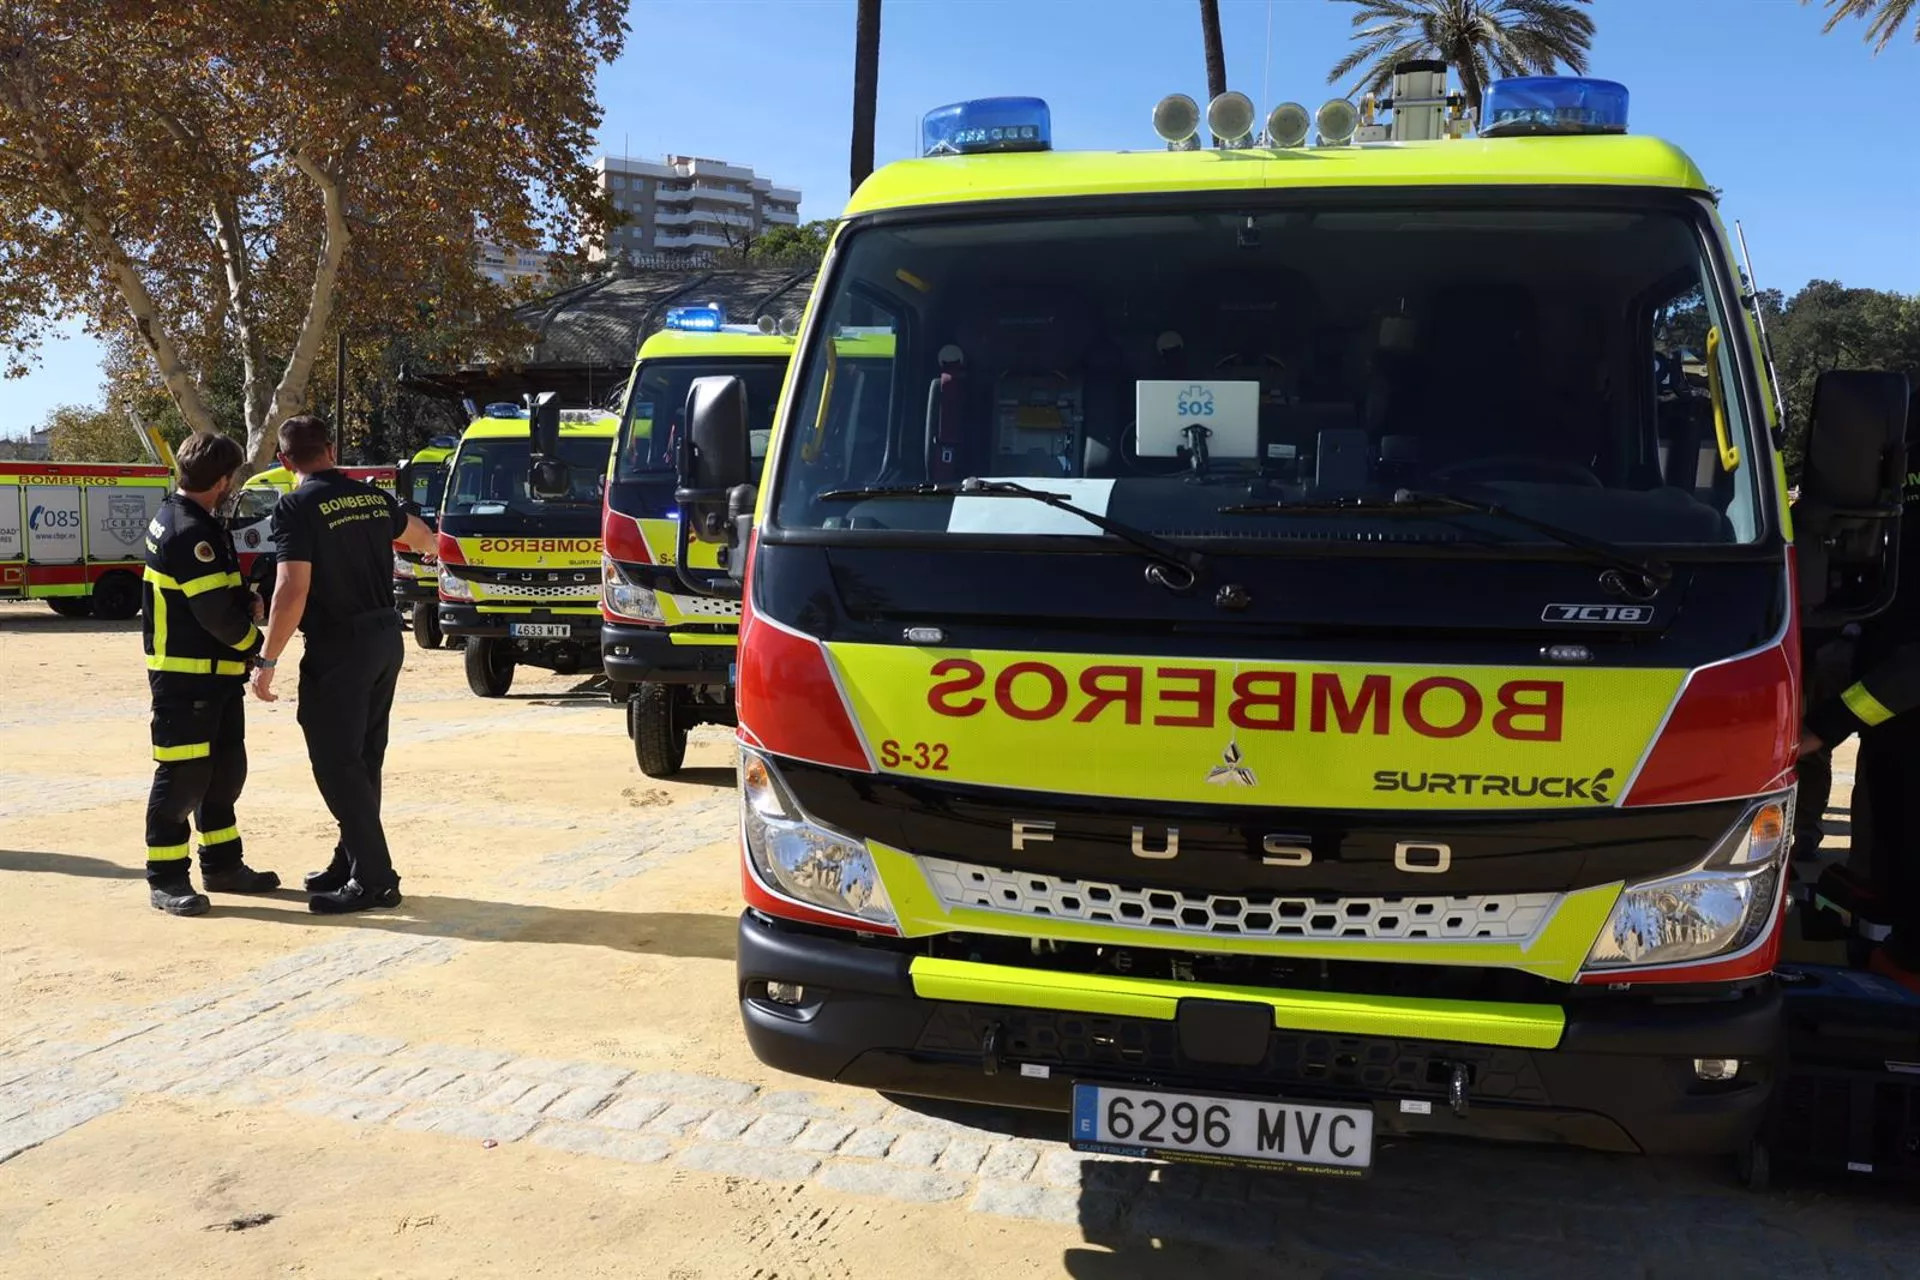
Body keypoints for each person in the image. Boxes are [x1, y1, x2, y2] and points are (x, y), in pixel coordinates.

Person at [250, 415, 436, 913]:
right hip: (383, 641)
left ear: (286, 461)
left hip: (340, 648)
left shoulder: (296, 506)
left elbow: (292, 587)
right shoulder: (374, 497)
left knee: (336, 763)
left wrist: (268, 658)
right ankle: (349, 860)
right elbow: (421, 537)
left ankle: (375, 880)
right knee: (363, 759)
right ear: (331, 450)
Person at [141, 431, 281, 915]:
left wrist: (246, 600)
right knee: (184, 779)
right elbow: (213, 616)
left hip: (216, 677)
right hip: (185, 679)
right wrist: (257, 644)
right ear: (222, 481)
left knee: (224, 775)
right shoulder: (187, 530)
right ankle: (166, 878)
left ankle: (223, 866)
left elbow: (218, 595)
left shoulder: (196, 520)